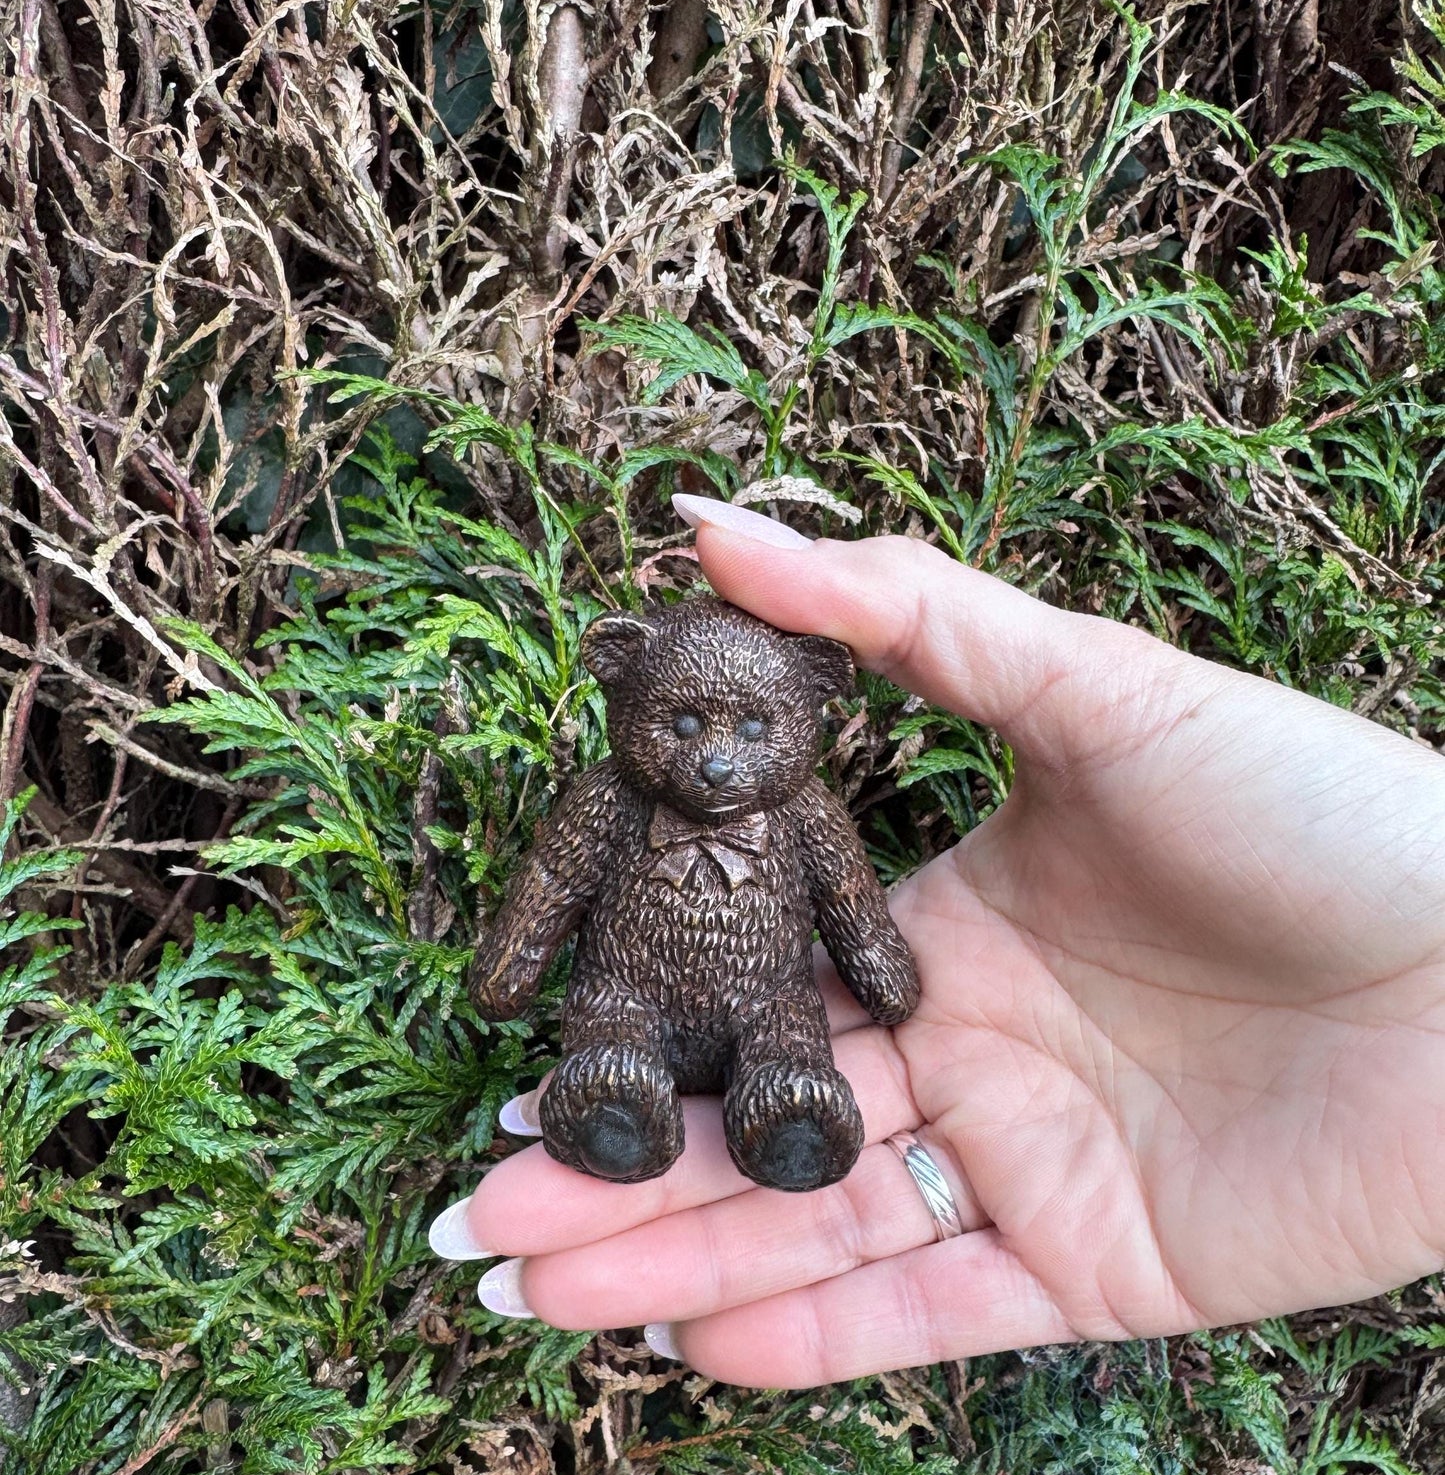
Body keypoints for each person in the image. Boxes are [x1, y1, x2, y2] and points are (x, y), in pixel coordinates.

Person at [428, 494, 1445, 1388]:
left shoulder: (806, 812)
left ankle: (786, 1113)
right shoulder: (606, 798)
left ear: (811, 703)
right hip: (626, 994)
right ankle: (615, 1091)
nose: (717, 765)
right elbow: (554, 882)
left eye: (751, 730)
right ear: (621, 683)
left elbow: (847, 900)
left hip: (771, 1000)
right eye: (681, 725)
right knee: (609, 1019)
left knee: (790, 1033)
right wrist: (513, 967)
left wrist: (882, 978)